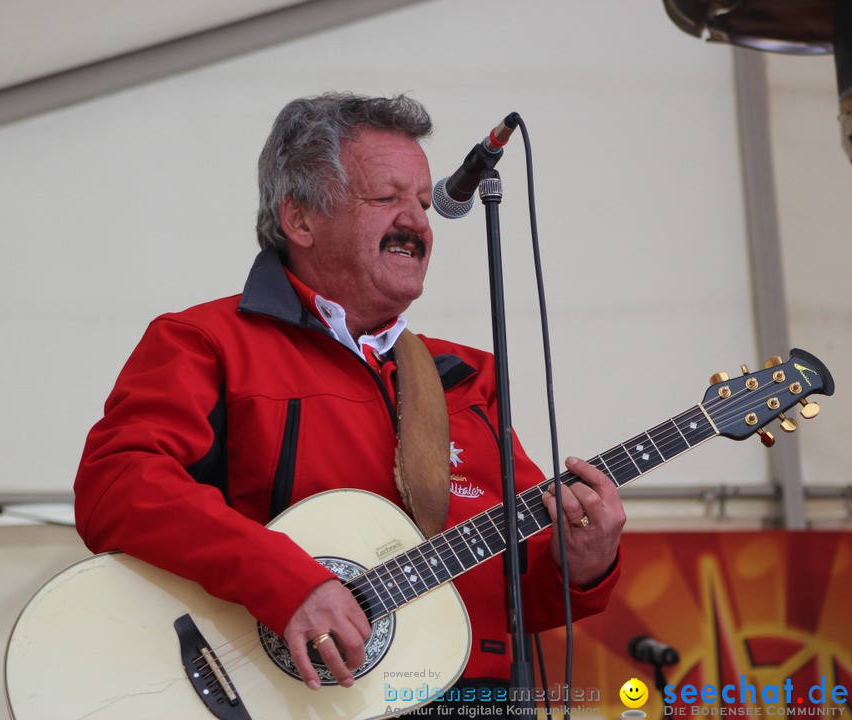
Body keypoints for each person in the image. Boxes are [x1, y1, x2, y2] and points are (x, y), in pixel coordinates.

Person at [73, 92, 625, 714]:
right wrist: (284, 581)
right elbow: (116, 485)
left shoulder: (468, 375)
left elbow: (514, 599)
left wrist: (581, 564)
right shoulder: (206, 341)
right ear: (301, 220)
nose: (418, 221)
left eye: (422, 201)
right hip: (298, 701)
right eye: (386, 198)